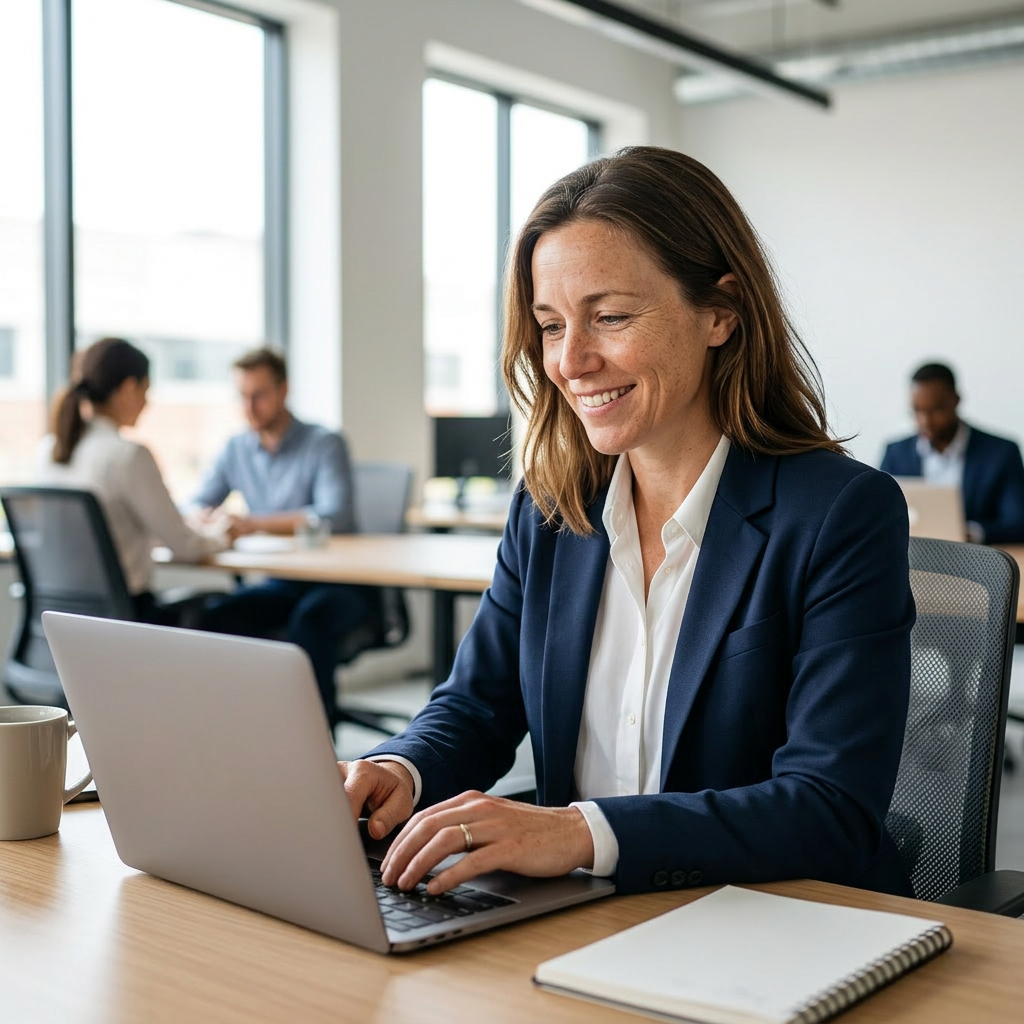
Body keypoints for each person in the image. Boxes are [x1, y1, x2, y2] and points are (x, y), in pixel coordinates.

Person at [340, 147, 915, 899]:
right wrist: (398, 770)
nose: (571, 361)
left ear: (720, 312)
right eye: (550, 326)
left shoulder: (840, 514)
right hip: (581, 923)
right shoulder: (550, 510)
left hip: (769, 926)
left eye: (609, 317)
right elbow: (478, 704)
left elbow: (830, 808)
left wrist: (581, 832)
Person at [192, 347, 373, 721]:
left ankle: (317, 743)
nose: (249, 407)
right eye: (242, 396)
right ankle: (237, 727)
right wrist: (208, 517)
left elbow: (333, 516)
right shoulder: (236, 447)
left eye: (258, 395)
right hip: (283, 583)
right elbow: (194, 505)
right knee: (217, 616)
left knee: (311, 620)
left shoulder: (324, 443)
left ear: (283, 390)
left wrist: (253, 522)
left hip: (344, 584)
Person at [35, 337, 231, 621]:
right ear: (128, 388)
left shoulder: (49, 450)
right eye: (146, 391)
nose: (147, 403)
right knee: (224, 611)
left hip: (63, 624)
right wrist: (222, 534)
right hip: (125, 624)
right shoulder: (128, 455)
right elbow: (186, 548)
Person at [880, 362, 1024, 544]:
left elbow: (1018, 523)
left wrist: (971, 533)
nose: (925, 421)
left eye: (935, 409)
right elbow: (879, 515)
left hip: (976, 562)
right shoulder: (896, 453)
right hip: (913, 560)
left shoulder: (1001, 453)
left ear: (956, 400)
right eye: (917, 411)